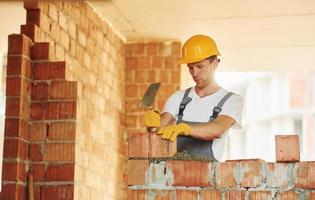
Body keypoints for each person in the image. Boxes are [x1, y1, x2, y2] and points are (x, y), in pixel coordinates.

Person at [144, 34, 244, 161]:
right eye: (190, 68)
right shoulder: (178, 97)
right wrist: (153, 125)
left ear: (215, 63)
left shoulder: (232, 100)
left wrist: (185, 129)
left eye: (200, 66)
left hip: (208, 176)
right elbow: (159, 128)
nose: (194, 73)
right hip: (175, 175)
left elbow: (218, 129)